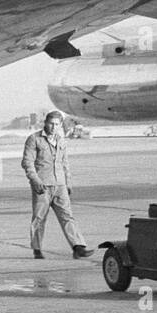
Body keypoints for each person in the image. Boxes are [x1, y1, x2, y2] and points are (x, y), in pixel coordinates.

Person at [21, 110, 91, 260]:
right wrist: (35, 181)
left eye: (57, 124)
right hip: (42, 186)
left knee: (67, 217)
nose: (53, 127)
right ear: (45, 123)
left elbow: (65, 163)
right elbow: (27, 163)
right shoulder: (34, 139)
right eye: (51, 124)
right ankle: (37, 249)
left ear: (60, 125)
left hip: (60, 185)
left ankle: (78, 247)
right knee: (39, 218)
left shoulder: (61, 140)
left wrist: (68, 183)